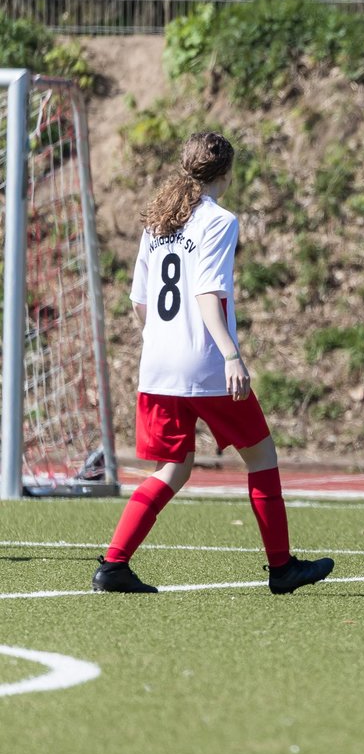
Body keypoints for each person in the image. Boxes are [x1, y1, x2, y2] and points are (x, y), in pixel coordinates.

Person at [92, 131, 334, 594]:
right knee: (261, 455)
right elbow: (208, 293)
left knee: (173, 469)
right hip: (203, 364)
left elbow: (139, 301)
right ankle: (282, 568)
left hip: (158, 365)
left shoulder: (158, 221)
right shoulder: (219, 221)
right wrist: (231, 355)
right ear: (227, 173)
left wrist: (160, 340)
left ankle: (113, 565)